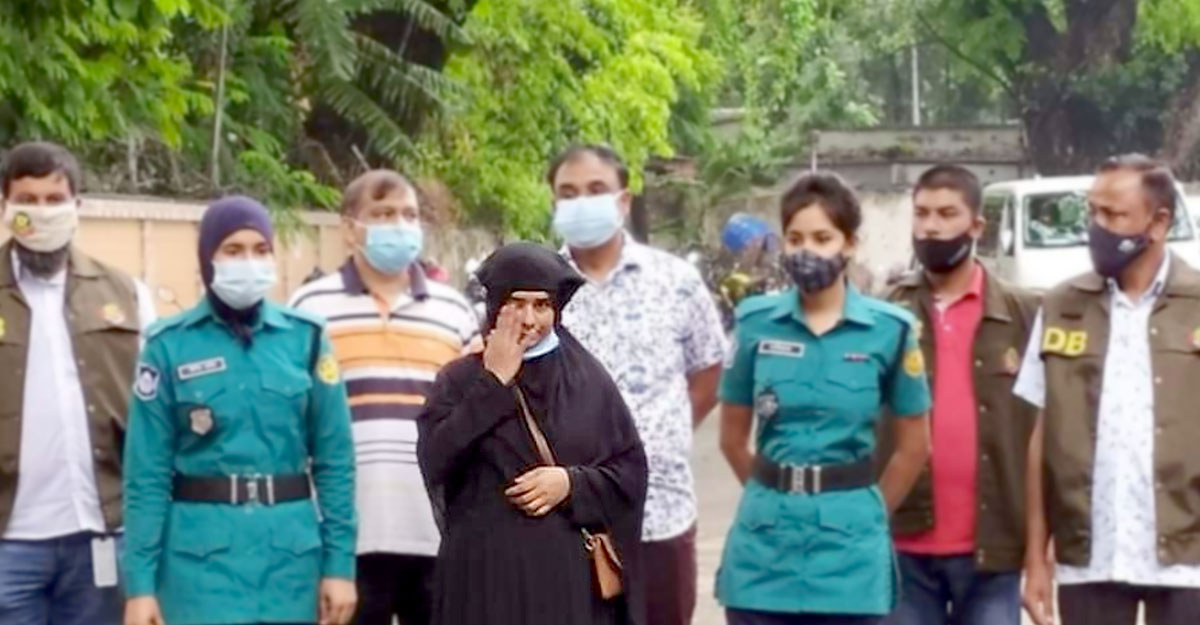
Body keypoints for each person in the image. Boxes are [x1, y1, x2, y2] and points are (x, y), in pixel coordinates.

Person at [122, 196, 357, 625]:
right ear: (207, 258)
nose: (249, 261)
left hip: (290, 565)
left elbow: (335, 461)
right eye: (233, 250)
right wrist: (139, 586)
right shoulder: (168, 345)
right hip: (198, 569)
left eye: (260, 249)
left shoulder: (305, 339)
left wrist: (340, 566)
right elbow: (146, 475)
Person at [717, 171, 932, 625]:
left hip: (851, 557)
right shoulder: (755, 323)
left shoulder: (889, 330)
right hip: (762, 555)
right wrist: (772, 496)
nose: (806, 251)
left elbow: (914, 447)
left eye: (822, 238)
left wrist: (869, 513)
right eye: (795, 239)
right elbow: (732, 440)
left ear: (849, 244)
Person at [417, 242, 648, 625]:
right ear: (495, 305)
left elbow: (630, 472)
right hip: (481, 582)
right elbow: (435, 459)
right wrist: (494, 382)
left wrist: (571, 484)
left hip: (564, 585)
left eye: (541, 305)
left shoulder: (587, 381)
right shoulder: (459, 381)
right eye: (516, 303)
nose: (528, 319)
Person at [288, 169, 478, 625]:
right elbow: (293, 424)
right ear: (350, 229)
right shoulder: (309, 310)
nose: (400, 225)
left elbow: (474, 420)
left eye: (409, 215)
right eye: (383, 214)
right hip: (345, 541)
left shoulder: (453, 312)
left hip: (436, 535)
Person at [1017, 155, 1200, 625]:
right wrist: (1036, 556)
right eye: (1092, 212)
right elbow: (1041, 439)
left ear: (1158, 223)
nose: (1097, 227)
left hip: (1188, 557)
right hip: (1090, 554)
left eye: (1114, 215)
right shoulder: (1062, 305)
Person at [549, 145, 727, 625]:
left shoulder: (675, 281)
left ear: (623, 201)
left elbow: (709, 368)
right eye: (568, 193)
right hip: (564, 522)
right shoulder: (536, 291)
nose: (582, 202)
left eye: (596, 189)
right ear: (554, 204)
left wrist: (667, 430)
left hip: (660, 513)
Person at [0, 141, 157, 625]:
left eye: (54, 199)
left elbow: (156, 414)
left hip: (102, 536)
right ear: (6, 206)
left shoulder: (127, 294)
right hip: (8, 546)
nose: (42, 212)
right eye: (27, 200)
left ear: (77, 206)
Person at [881, 165, 1039, 625]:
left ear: (977, 226)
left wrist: (1041, 547)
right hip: (903, 546)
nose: (930, 227)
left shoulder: (1024, 315)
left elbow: (1047, 434)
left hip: (994, 551)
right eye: (921, 213)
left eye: (947, 214)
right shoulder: (886, 314)